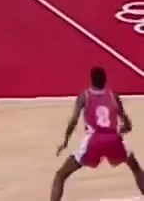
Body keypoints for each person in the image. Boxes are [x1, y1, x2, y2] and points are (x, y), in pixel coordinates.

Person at [50, 66, 144, 201]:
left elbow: (73, 120)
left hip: (93, 140)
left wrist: (65, 141)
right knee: (136, 169)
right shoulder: (113, 96)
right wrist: (117, 132)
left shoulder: (85, 96)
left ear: (91, 80)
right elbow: (128, 126)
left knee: (61, 175)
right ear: (105, 80)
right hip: (114, 138)